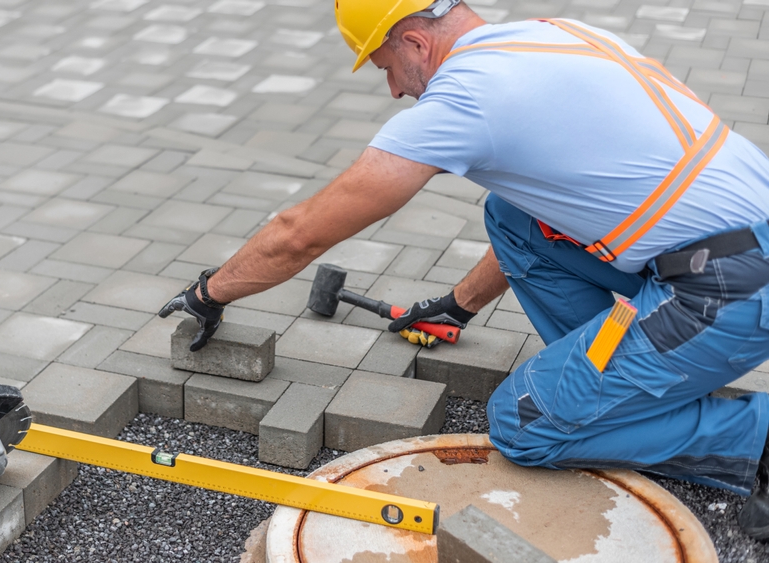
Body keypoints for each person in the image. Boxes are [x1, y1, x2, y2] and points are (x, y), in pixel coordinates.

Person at [159, 0, 769, 538]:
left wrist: (208, 292)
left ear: (416, 43)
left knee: (523, 425)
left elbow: (301, 234)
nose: (395, 90)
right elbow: (542, 223)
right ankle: (620, 386)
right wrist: (457, 304)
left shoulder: (464, 101)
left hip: (725, 289)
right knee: (512, 215)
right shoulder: (555, 33)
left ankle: (750, 435)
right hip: (727, 254)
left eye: (387, 69)